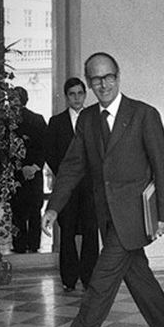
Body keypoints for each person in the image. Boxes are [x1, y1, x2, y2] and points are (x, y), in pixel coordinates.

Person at [33, 53, 164, 327]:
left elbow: (162, 164)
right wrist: (54, 207)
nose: (102, 85)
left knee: (100, 288)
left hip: (134, 216)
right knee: (140, 279)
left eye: (108, 77)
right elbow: (72, 166)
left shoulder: (144, 114)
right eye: (95, 79)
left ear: (118, 77)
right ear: (88, 83)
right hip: (107, 215)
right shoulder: (87, 120)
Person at [45, 77, 99, 291]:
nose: (77, 98)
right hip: (66, 188)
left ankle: (89, 277)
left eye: (80, 93)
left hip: (90, 186)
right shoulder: (56, 122)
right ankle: (69, 278)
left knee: (90, 230)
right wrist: (66, 175)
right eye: (72, 94)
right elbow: (50, 152)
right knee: (66, 231)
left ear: (85, 95)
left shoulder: (95, 119)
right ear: (66, 97)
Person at [10, 86, 47, 253]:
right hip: (31, 173)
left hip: (19, 174)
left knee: (19, 212)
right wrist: (34, 167)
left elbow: (45, 146)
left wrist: (26, 168)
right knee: (32, 212)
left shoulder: (7, 123)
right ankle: (33, 246)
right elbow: (45, 148)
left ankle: (20, 246)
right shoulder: (37, 119)